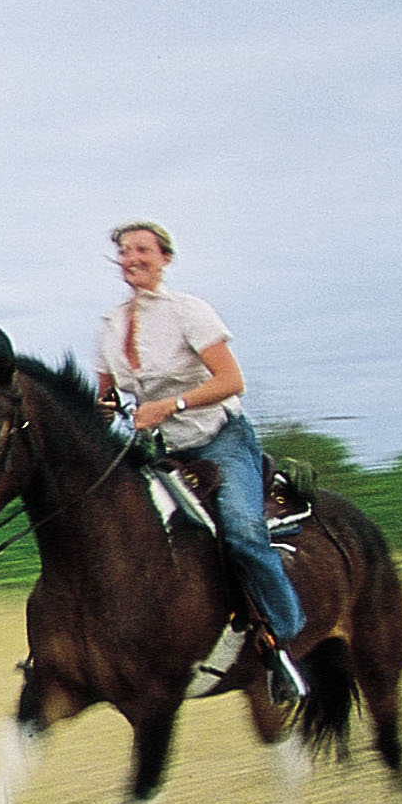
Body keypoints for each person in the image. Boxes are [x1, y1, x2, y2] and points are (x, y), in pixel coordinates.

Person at [93, 221, 306, 701]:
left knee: (242, 529)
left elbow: (232, 380)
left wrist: (172, 405)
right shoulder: (109, 325)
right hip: (161, 450)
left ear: (164, 257)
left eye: (142, 250)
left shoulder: (189, 311)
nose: (132, 258)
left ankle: (284, 637)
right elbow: (105, 398)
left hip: (218, 439)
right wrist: (95, 417)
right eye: (124, 252)